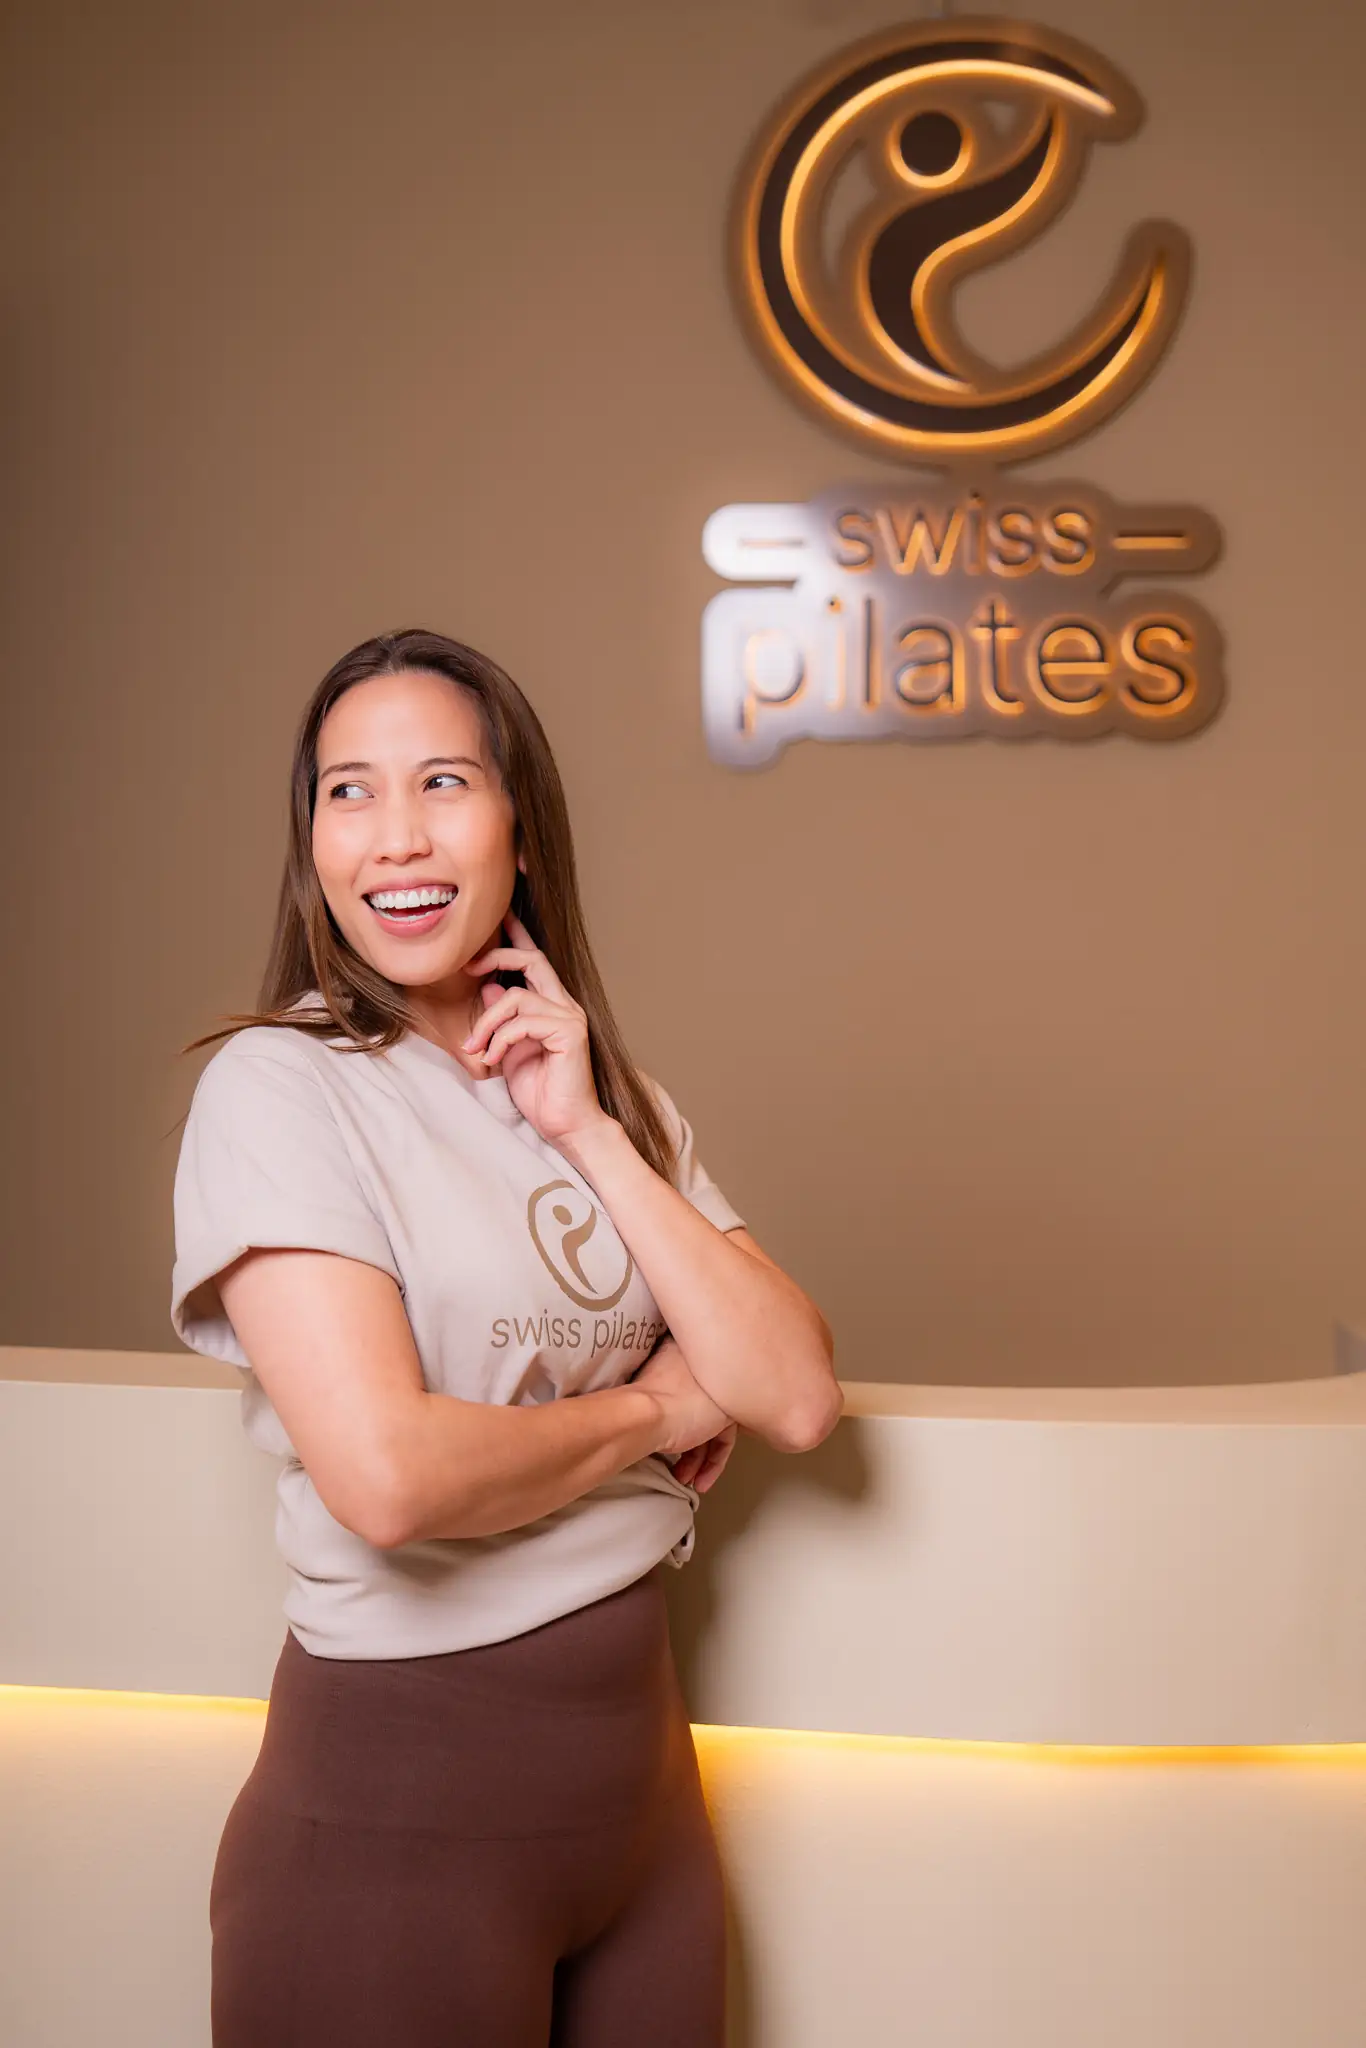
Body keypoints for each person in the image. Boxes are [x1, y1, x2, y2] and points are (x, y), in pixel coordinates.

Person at [169, 627, 841, 2048]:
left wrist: (586, 1130)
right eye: (349, 791)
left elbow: (790, 1391)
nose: (396, 836)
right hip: (392, 1823)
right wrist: (658, 1411)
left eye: (443, 782)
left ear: (518, 827)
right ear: (312, 843)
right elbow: (389, 1478)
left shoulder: (604, 1090)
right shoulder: (280, 1087)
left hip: (643, 1814)